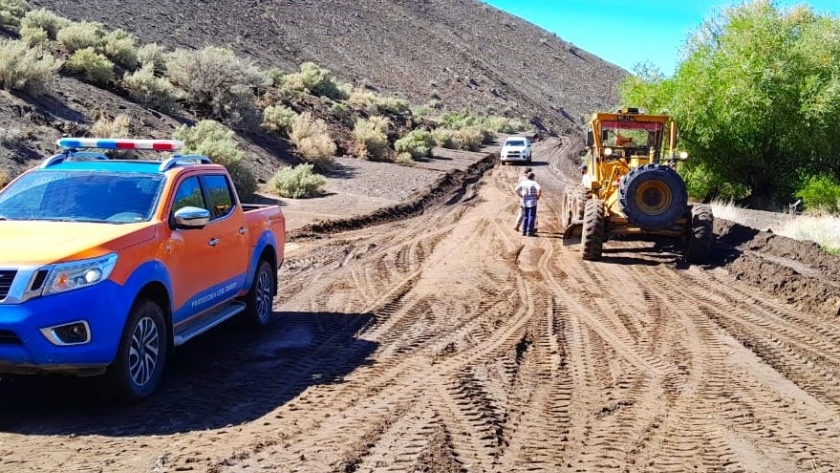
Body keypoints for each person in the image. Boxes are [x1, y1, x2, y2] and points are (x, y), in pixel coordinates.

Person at [514, 171, 541, 236]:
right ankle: (530, 232)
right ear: (533, 177)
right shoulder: (534, 183)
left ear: (527, 177)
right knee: (531, 216)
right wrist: (538, 196)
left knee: (525, 216)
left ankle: (524, 231)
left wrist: (520, 195)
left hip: (524, 202)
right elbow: (539, 189)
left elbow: (516, 189)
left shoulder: (523, 183)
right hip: (532, 202)